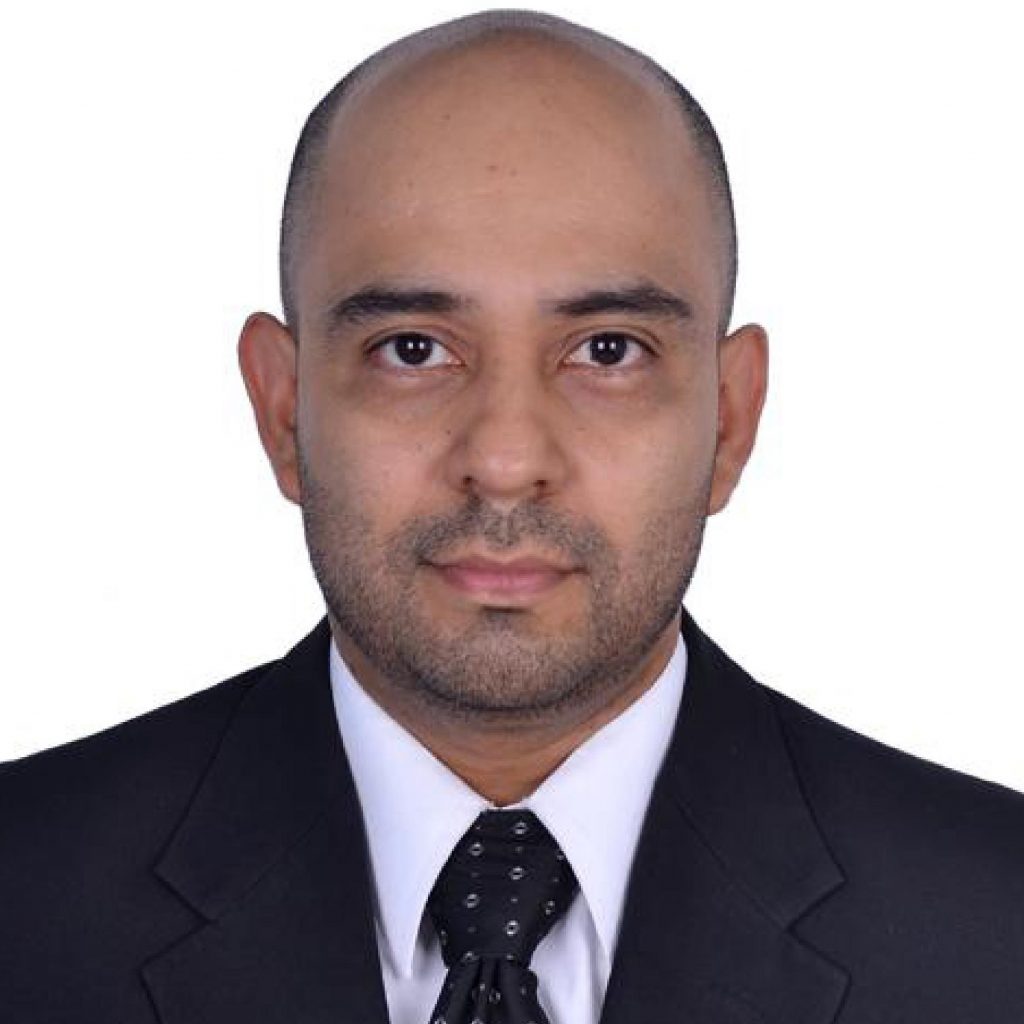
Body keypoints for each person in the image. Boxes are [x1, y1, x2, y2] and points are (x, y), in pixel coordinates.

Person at [2, 8, 1023, 1023]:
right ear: (282, 408)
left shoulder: (998, 929)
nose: (503, 462)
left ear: (731, 417)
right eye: (411, 349)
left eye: (608, 350)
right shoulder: (24, 899)